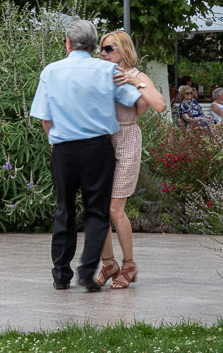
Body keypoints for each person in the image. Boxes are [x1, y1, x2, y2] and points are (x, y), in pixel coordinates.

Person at [30, 20, 142, 292]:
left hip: (64, 150)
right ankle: (88, 269)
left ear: (68, 43)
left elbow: (45, 118)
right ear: (94, 46)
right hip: (98, 149)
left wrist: (56, 140)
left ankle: (61, 275)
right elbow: (136, 99)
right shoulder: (107, 70)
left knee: (64, 210)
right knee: (96, 211)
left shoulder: (51, 71)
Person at [94, 31, 166, 289]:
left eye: (108, 48)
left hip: (126, 140)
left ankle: (129, 265)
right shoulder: (101, 74)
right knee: (98, 209)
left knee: (115, 209)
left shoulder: (138, 76)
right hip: (102, 141)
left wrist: (136, 83)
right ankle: (108, 263)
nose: (103, 53)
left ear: (123, 50)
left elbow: (159, 106)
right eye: (101, 49)